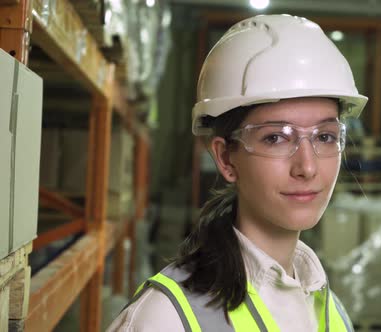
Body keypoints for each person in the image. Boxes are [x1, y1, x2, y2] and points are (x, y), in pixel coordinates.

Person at [108, 13, 367, 332]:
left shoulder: (331, 313)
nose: (308, 167)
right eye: (276, 137)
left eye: (325, 136)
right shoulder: (164, 320)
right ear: (225, 158)